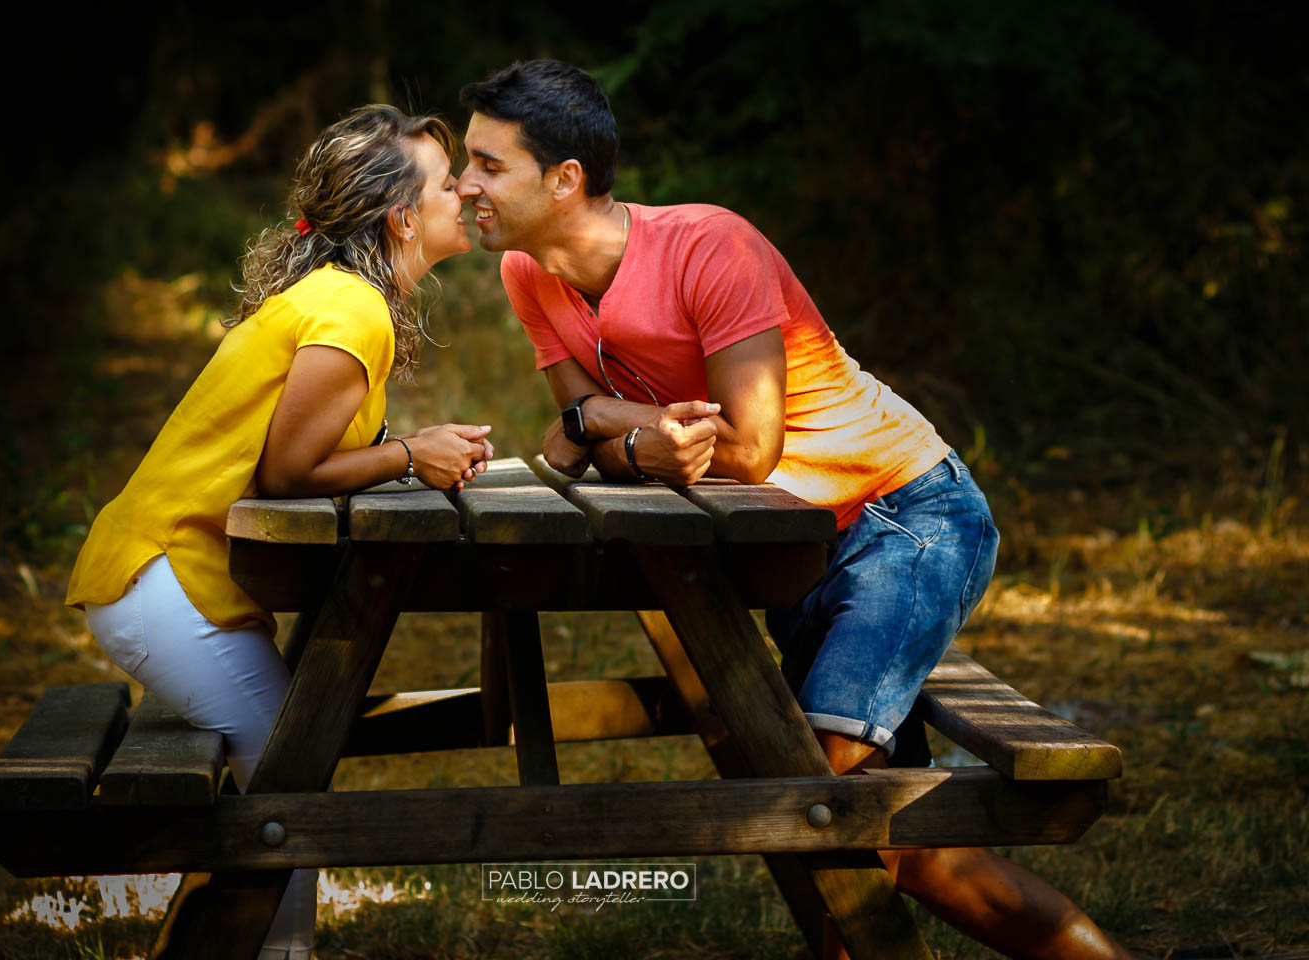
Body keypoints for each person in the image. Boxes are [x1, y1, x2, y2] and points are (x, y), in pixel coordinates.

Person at [455, 59, 1132, 960]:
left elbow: (746, 448)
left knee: (814, 795)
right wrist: (628, 429)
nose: (463, 184)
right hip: (790, 547)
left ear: (565, 179)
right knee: (890, 836)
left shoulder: (710, 246)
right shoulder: (527, 273)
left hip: (902, 514)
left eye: (487, 164)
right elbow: (575, 433)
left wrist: (614, 428)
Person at [65, 104, 493, 960]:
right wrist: (413, 451)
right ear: (402, 217)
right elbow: (289, 473)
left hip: (167, 583)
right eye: (449, 183)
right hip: (163, 585)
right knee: (292, 791)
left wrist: (409, 452)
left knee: (289, 777)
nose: (468, 192)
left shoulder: (345, 299)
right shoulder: (354, 311)